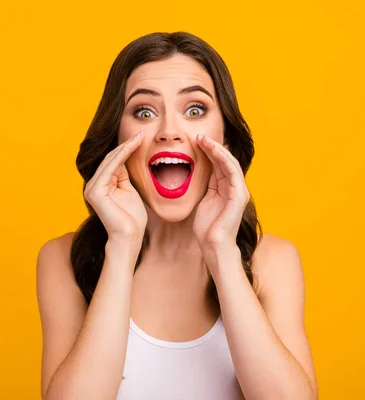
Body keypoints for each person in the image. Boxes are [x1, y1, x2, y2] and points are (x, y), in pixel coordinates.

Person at [36, 31, 318, 400]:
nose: (169, 131)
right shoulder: (61, 260)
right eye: (144, 112)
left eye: (195, 110)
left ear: (226, 138)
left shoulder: (274, 261)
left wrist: (221, 250)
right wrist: (122, 244)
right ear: (117, 140)